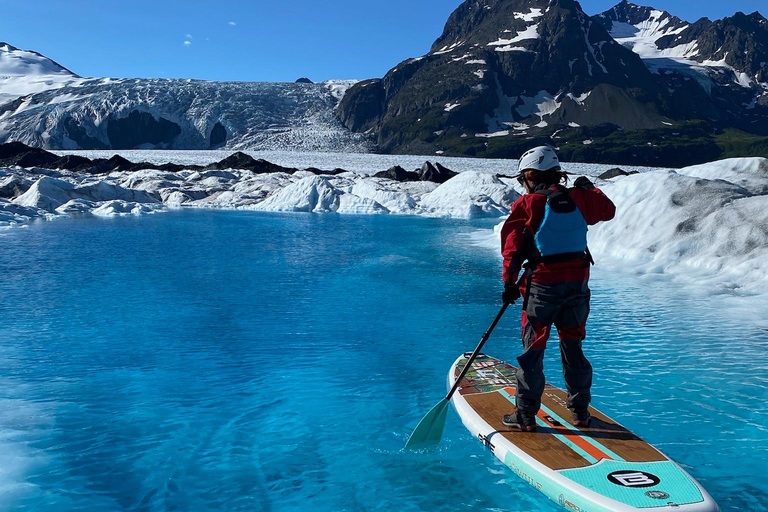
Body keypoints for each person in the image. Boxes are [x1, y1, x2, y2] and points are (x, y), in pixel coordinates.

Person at [500, 146, 616, 432]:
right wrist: (591, 190)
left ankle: (525, 415)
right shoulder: (579, 198)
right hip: (578, 285)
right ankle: (580, 412)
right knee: (573, 344)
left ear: (529, 176)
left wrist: (509, 284)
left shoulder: (528, 204)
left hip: (542, 286)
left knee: (534, 349)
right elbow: (608, 210)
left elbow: (512, 249)